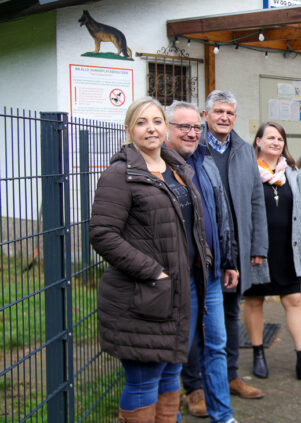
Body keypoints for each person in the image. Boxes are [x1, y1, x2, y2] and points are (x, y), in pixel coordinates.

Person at [89, 97, 212, 422]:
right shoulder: (121, 174)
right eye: (141, 122)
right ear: (129, 129)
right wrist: (153, 271)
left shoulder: (177, 169)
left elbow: (187, 224)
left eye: (157, 121)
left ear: (165, 127)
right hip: (145, 293)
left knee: (172, 376)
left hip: (183, 288)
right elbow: (102, 234)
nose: (151, 128)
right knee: (143, 383)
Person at [180, 90, 267, 400]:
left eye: (230, 113)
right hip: (199, 249)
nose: (224, 117)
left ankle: (230, 376)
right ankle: (195, 387)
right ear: (205, 116)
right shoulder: (192, 147)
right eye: (218, 112)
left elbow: (257, 199)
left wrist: (258, 246)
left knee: (231, 313)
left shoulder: (243, 150)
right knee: (194, 317)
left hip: (233, 250)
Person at [164, 101, 239, 422]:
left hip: (210, 275)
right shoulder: (159, 168)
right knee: (177, 353)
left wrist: (229, 260)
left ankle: (223, 416)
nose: (192, 133)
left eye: (196, 127)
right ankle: (173, 415)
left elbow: (221, 216)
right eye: (184, 127)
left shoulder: (205, 162)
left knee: (216, 348)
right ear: (167, 129)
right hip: (180, 279)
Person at [244, 122, 301, 380]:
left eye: (280, 138)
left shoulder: (291, 172)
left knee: (294, 299)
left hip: (286, 247)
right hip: (258, 249)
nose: (275, 142)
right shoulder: (247, 171)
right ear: (258, 141)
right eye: (270, 138)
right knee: (255, 300)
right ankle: (258, 353)